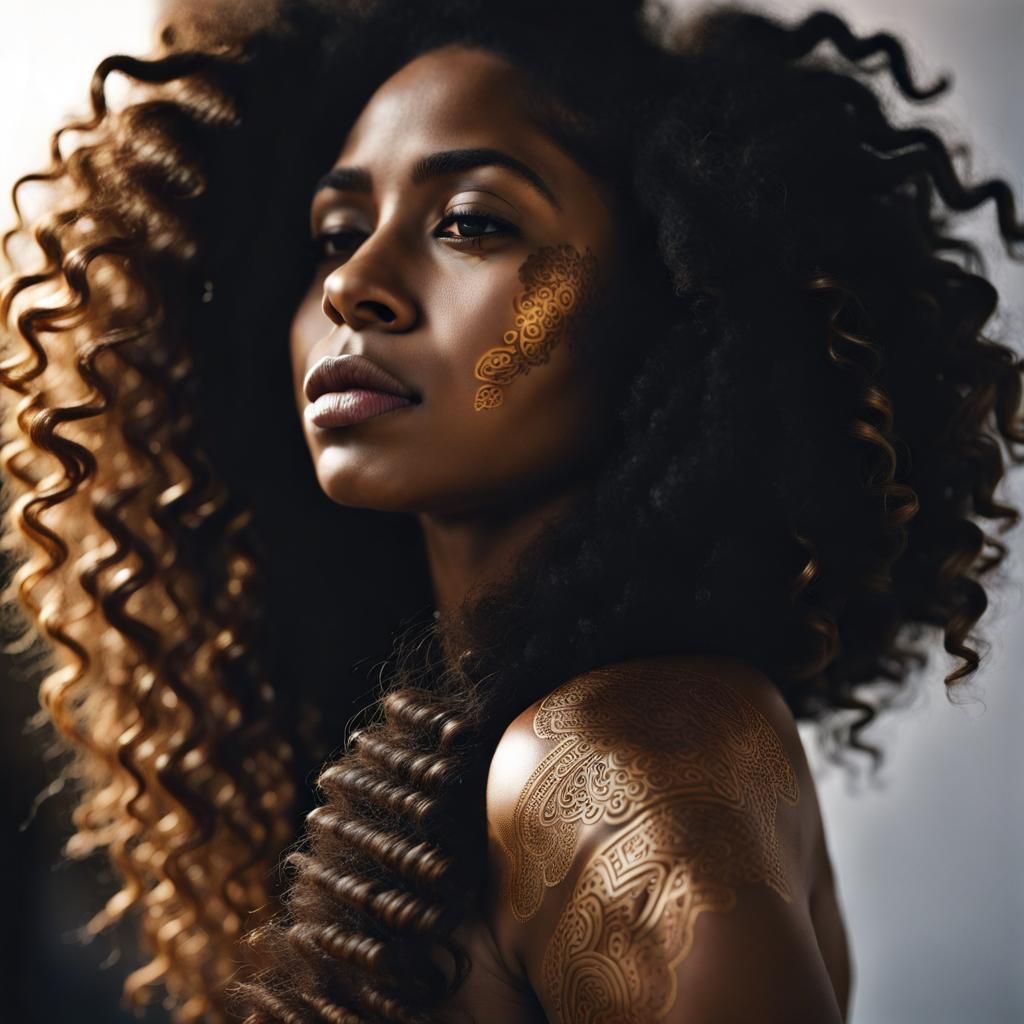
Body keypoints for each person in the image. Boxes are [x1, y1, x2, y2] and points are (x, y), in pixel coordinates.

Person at [1, 0, 1021, 1021]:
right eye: (336, 233)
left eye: (471, 222)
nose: (357, 282)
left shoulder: (614, 758)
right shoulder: (487, 735)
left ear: (673, 299)